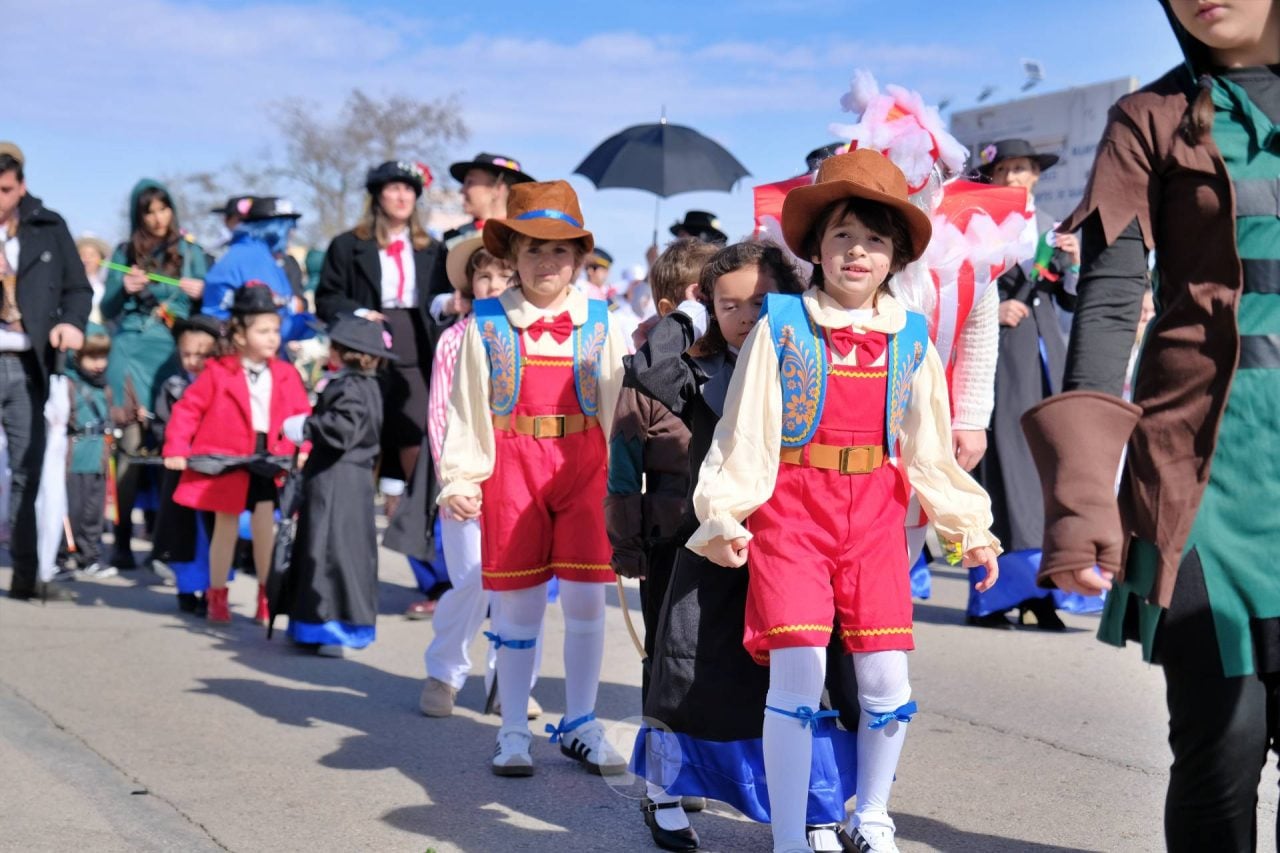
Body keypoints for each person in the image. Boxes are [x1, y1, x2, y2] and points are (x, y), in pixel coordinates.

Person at [688, 150, 1000, 853]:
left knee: (887, 674)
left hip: (875, 515)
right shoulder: (782, 325)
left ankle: (874, 813)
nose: (858, 252)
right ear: (816, 249)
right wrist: (725, 513)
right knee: (797, 670)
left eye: (875, 239)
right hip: (793, 512)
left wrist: (968, 526)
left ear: (895, 256)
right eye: (843, 236)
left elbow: (929, 451)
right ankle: (793, 833)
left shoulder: (912, 336)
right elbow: (747, 431)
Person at [1021, 2, 1280, 849]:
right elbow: (1106, 300)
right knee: (1223, 745)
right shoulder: (1149, 118)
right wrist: (1081, 491)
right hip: (1200, 477)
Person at [631, 241, 834, 853]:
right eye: (728, 304)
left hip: (796, 537)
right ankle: (665, 792)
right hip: (715, 539)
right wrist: (689, 317)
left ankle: (815, 811)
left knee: (805, 671)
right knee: (689, 667)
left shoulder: (811, 360)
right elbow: (648, 368)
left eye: (759, 301)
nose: (745, 316)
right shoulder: (697, 368)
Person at [436, 179, 629, 777]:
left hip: (584, 462)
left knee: (585, 602)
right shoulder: (486, 322)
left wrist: (629, 483)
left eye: (560, 250)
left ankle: (581, 721)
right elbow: (467, 410)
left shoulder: (602, 318)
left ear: (578, 257)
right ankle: (514, 727)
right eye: (533, 249)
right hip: (513, 462)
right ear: (511, 256)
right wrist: (461, 479)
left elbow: (621, 406)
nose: (547, 262)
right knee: (517, 606)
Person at [968, 138, 1080, 630]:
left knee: (1049, 470)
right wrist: (993, 310)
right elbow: (958, 288)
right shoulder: (975, 226)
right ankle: (995, 596)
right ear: (992, 178)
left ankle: (1042, 592)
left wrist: (1073, 262)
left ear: (1037, 176)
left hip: (1046, 357)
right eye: (1007, 169)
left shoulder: (1053, 227)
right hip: (1002, 358)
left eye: (1024, 169)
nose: (1015, 177)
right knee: (1006, 472)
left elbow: (1073, 298)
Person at [419, 228, 527, 710]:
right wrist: (453, 478)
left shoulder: (532, 338)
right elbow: (441, 413)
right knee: (472, 578)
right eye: (484, 276)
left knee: (518, 582)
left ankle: (509, 680)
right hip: (468, 476)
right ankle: (444, 671)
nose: (493, 285)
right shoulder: (454, 339)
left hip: (522, 476)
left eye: (504, 275)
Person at [162, 285, 311, 624]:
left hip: (268, 456)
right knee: (225, 528)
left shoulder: (286, 373)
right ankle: (217, 595)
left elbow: (302, 417)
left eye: (275, 330)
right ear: (241, 335)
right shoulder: (218, 371)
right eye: (263, 331)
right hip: (225, 457)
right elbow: (188, 410)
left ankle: (266, 594)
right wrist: (176, 448)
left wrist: (304, 449)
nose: (273, 338)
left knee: (264, 527)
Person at [605, 238, 715, 689]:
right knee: (669, 649)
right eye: (704, 300)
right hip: (667, 534)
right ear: (674, 307)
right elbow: (624, 469)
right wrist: (627, 543)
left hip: (725, 532)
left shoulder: (741, 364)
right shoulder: (642, 377)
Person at [0, 141, 93, 602]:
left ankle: (26, 573)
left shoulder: (48, 227)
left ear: (21, 186)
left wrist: (71, 325)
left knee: (27, 470)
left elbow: (78, 288)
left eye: (4, 189)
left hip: (26, 366)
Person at [316, 160, 447, 486]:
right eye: (393, 188)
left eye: (409, 190)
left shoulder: (432, 249)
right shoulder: (348, 245)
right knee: (365, 430)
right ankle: (355, 517)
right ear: (377, 196)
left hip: (415, 344)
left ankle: (414, 521)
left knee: (415, 431)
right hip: (366, 345)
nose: (402, 197)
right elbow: (327, 298)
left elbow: (441, 296)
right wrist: (360, 314)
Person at [101, 179, 208, 569]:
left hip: (172, 357)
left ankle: (165, 541)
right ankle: (123, 541)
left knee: (170, 448)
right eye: (149, 210)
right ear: (138, 215)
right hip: (129, 353)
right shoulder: (123, 252)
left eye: (164, 208)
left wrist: (201, 292)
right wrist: (124, 287)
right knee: (128, 449)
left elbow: (209, 311)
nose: (158, 217)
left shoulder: (192, 252)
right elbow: (108, 309)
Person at [278, 316, 391, 657]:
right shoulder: (367, 385)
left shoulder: (350, 387)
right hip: (349, 478)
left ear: (343, 353)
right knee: (331, 547)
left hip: (336, 479)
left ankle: (330, 628)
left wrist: (308, 426)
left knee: (328, 550)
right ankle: (312, 624)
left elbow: (343, 429)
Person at [150, 315, 222, 615]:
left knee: (213, 534)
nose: (193, 361)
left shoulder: (221, 385)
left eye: (201, 355)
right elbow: (162, 425)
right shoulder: (173, 385)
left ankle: (212, 589)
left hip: (214, 471)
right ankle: (185, 588)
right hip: (182, 473)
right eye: (187, 354)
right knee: (184, 534)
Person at [202, 196, 313, 343]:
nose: (292, 233)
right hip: (239, 350)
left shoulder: (257, 254)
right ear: (275, 228)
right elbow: (273, 324)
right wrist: (309, 323)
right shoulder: (254, 259)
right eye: (289, 227)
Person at [62, 327, 117, 579]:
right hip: (73, 460)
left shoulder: (104, 387)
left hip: (98, 459)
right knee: (70, 512)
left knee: (94, 514)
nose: (99, 364)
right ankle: (60, 558)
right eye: (92, 357)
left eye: (102, 356)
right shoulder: (69, 384)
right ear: (77, 357)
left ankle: (90, 558)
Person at [76, 235, 110, 324]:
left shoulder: (107, 287)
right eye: (82, 255)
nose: (86, 259)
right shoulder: (68, 287)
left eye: (92, 255)